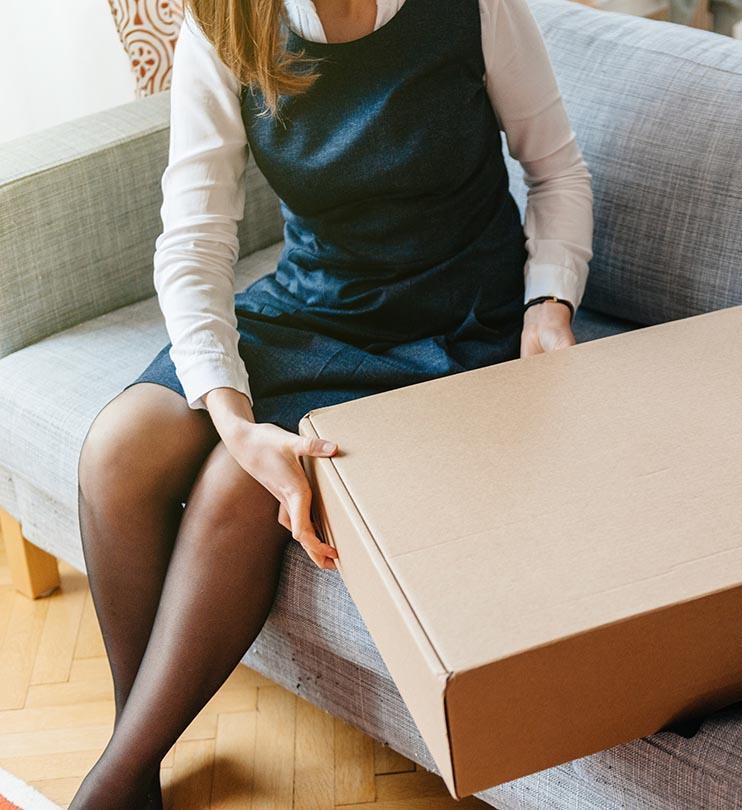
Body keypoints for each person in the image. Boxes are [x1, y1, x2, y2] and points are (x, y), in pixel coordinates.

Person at [70, 0, 593, 806]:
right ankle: (133, 759)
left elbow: (556, 170)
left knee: (240, 487)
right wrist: (233, 419)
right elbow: (196, 237)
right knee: (119, 448)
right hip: (314, 303)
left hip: (453, 328)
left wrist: (548, 306)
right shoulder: (224, 21)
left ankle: (114, 783)